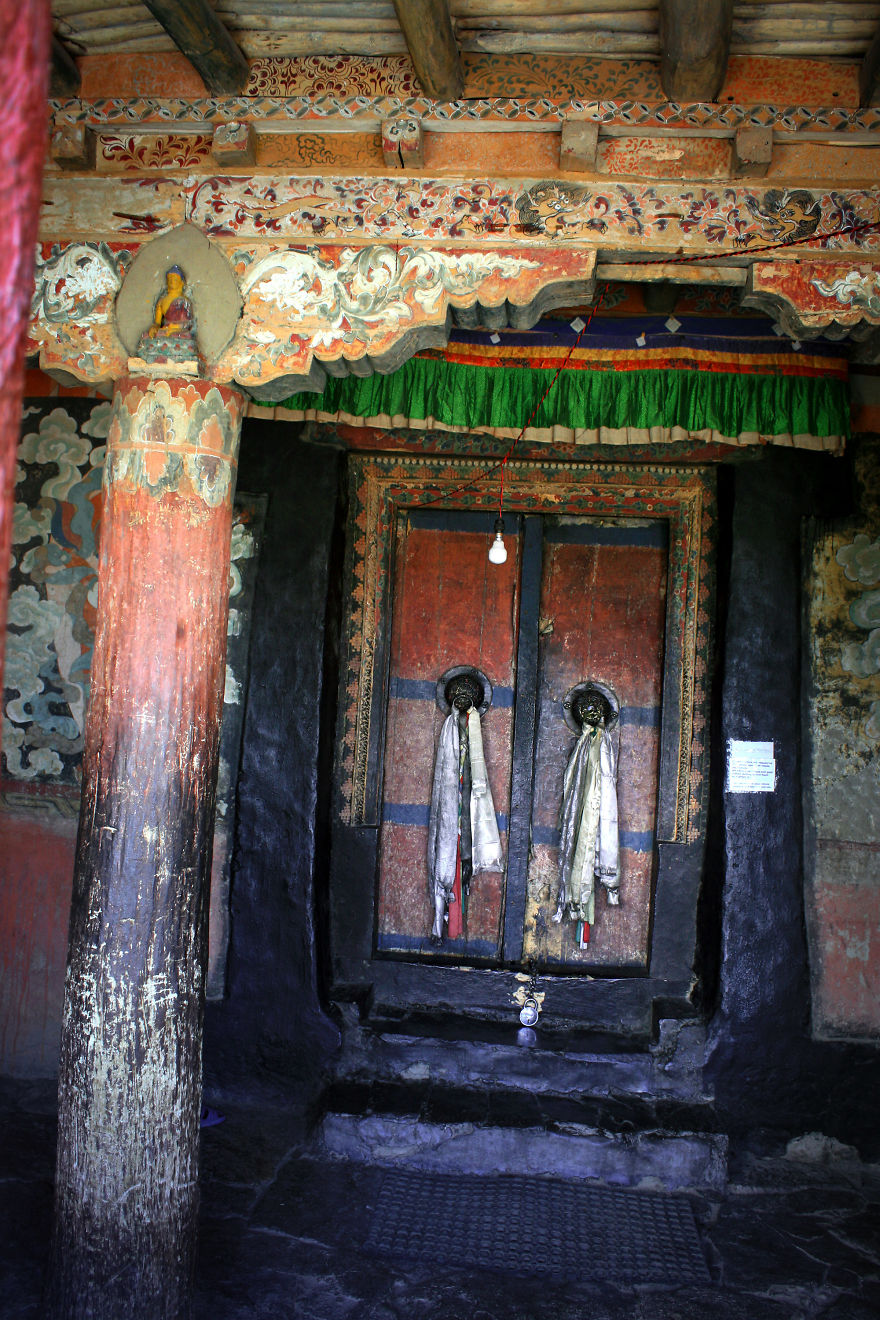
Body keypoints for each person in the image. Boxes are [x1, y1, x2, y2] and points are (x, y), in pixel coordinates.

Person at [554, 684, 619, 947]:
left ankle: (582, 912)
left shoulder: (601, 745)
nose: (591, 715)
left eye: (595, 711)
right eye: (586, 710)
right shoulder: (587, 743)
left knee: (592, 828)